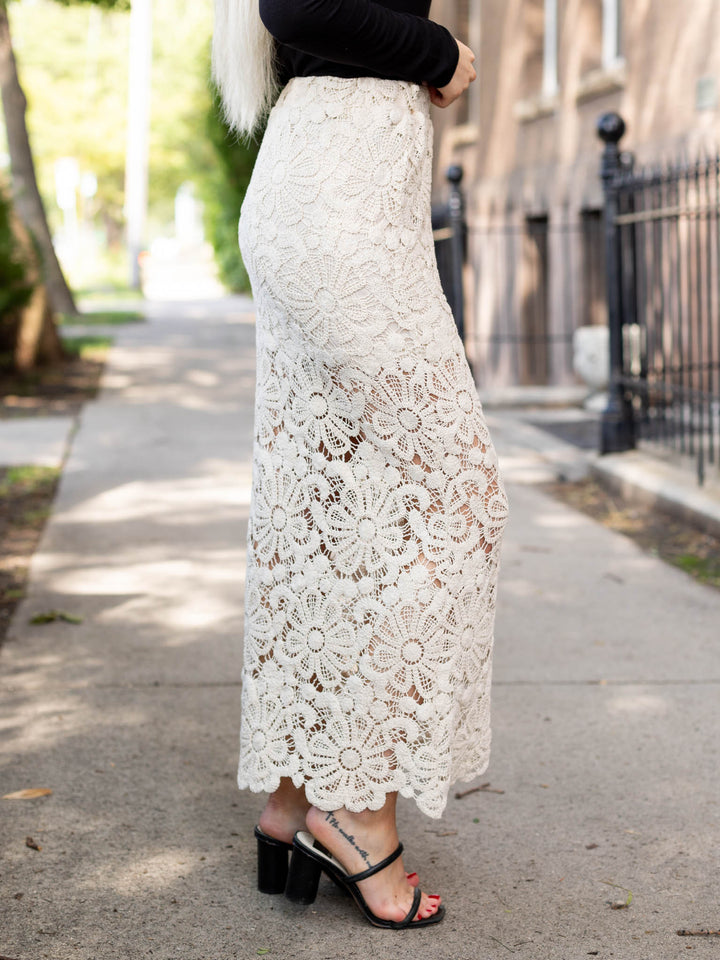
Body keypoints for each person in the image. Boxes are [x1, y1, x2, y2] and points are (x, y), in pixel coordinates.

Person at [212, 0, 509, 930]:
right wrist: (436, 49)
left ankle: (299, 797)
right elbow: (296, 4)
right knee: (456, 494)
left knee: (337, 509)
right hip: (337, 207)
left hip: (346, 197)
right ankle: (356, 808)